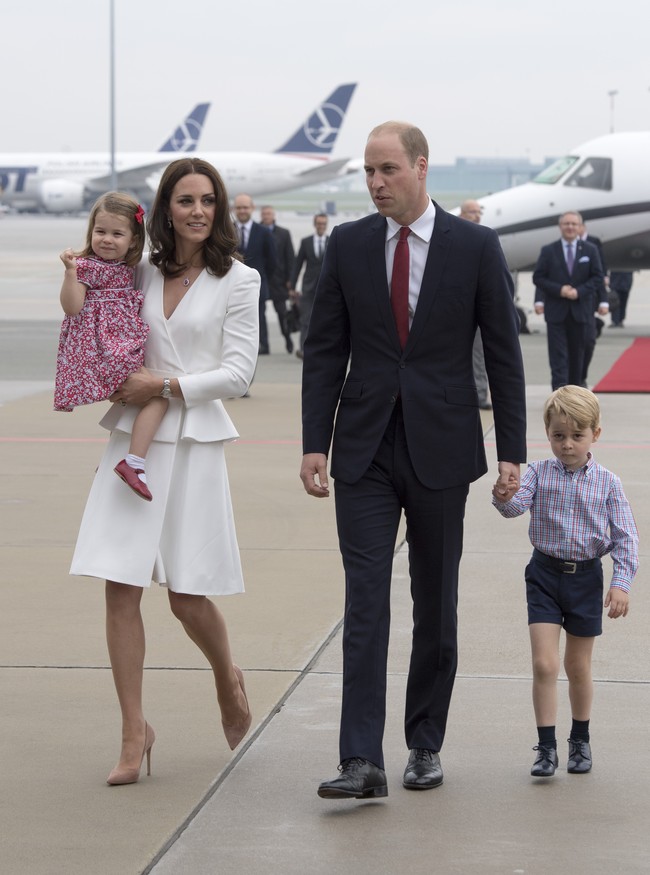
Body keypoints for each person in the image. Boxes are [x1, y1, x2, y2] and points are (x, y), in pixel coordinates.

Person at [300, 121, 527, 800]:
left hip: (443, 447)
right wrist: (314, 441)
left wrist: (512, 451)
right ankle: (360, 759)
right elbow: (324, 349)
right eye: (368, 172)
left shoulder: (476, 247)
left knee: (435, 601)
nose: (375, 183)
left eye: (388, 170)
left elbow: (504, 353)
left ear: (421, 167)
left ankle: (425, 742)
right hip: (364, 448)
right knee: (365, 600)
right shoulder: (348, 245)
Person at [70, 158, 260, 785]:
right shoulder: (140, 269)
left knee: (186, 596)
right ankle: (134, 732)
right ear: (166, 210)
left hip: (194, 438)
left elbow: (239, 373)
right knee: (119, 584)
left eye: (207, 200)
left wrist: (166, 385)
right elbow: (94, 319)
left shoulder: (240, 279)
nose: (197, 211)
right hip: (134, 442)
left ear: (219, 207)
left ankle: (227, 678)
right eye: (185, 200)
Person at [492, 386, 638, 777]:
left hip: (586, 579)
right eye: (558, 435)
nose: (567, 444)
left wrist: (621, 582)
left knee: (577, 665)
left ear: (595, 434)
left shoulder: (608, 483)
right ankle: (546, 748)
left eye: (576, 435)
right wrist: (504, 495)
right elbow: (514, 507)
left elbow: (626, 536)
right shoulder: (539, 473)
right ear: (548, 433)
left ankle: (580, 740)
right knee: (544, 663)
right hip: (543, 575)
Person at [54, 192, 167, 501]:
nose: (106, 239)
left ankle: (112, 463)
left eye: (117, 234)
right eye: (100, 231)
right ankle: (134, 464)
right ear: (91, 231)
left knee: (134, 400)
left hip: (119, 348)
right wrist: (70, 273)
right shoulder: (86, 266)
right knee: (158, 397)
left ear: (133, 240)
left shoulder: (130, 267)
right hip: (104, 352)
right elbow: (72, 307)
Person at [532, 211, 603, 390]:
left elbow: (597, 277)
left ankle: (575, 395)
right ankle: (559, 395)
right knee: (558, 358)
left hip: (581, 312)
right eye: (566, 224)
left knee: (578, 356)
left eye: (574, 224)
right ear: (560, 227)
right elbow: (538, 278)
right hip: (556, 313)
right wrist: (559, 290)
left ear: (580, 227)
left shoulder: (590, 249)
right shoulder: (548, 250)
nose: (570, 227)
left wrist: (579, 291)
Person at [234, 193, 276, 354]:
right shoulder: (226, 230)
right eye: (239, 208)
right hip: (232, 285)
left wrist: (263, 278)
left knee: (259, 317)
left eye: (245, 207)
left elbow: (272, 261)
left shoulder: (264, 232)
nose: (242, 211)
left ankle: (263, 345)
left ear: (252, 208)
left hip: (257, 284)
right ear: (234, 209)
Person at [459, 198, 491, 410]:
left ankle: (479, 394)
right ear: (461, 214)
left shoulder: (484, 239)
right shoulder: (453, 238)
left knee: (479, 355)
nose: (477, 216)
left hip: (477, 307)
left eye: (479, 212)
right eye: (472, 212)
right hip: (454, 309)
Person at [290, 213, 328, 359]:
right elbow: (298, 264)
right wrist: (292, 286)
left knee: (325, 320)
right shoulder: (306, 242)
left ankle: (323, 349)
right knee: (305, 319)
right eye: (319, 223)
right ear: (314, 224)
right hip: (308, 287)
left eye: (323, 224)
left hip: (327, 288)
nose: (321, 226)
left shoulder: (332, 241)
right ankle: (303, 350)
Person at [260, 205, 296, 353]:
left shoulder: (283, 233)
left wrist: (290, 280)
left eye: (269, 214)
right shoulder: (257, 231)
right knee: (259, 314)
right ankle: (264, 345)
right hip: (262, 278)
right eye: (264, 214)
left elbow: (290, 258)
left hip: (279, 280)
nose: (266, 216)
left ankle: (287, 338)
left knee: (282, 313)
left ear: (273, 215)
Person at [577, 221, 609, 387]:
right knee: (567, 348)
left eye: (576, 224)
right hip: (565, 303)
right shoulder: (556, 248)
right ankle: (566, 384)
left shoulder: (593, 244)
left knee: (589, 341)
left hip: (588, 301)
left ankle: (581, 377)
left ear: (583, 227)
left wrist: (604, 300)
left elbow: (599, 273)